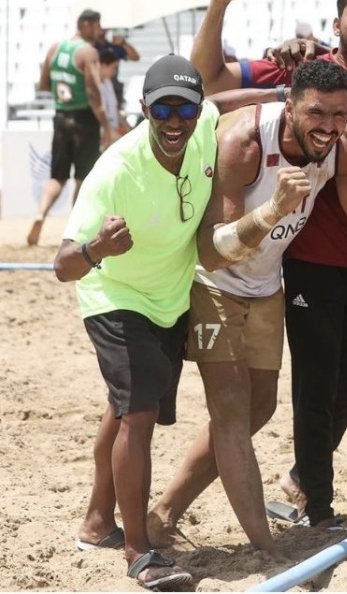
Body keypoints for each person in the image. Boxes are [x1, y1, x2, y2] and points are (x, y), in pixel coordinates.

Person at [146, 59, 347, 553]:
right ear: (289, 106)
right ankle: (264, 546)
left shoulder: (344, 148)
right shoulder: (245, 143)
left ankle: (162, 514)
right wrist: (274, 210)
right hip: (211, 284)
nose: (328, 126)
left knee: (260, 408)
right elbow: (214, 252)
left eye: (339, 114)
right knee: (233, 411)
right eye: (317, 114)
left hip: (265, 286)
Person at [190, 0, 347, 530]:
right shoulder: (279, 94)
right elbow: (205, 83)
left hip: (298, 281)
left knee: (303, 401)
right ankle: (291, 518)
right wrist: (219, 2)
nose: (330, 124)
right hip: (260, 274)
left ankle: (296, 489)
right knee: (201, 408)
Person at [54, 54, 216, 591]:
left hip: (169, 299)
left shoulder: (203, 128)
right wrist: (97, 247)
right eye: (163, 108)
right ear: (144, 109)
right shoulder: (115, 170)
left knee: (123, 407)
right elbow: (61, 267)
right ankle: (138, 551)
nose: (175, 121)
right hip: (114, 293)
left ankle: (98, 521)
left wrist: (282, 90)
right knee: (139, 414)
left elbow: (226, 102)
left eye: (185, 108)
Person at [28, 9, 114, 246]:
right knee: (83, 179)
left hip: (60, 116)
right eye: (97, 26)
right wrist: (106, 125)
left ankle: (40, 214)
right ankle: (74, 229)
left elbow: (44, 84)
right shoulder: (88, 52)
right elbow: (93, 92)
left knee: (57, 176)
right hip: (84, 118)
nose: (100, 31)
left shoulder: (55, 48)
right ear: (86, 25)